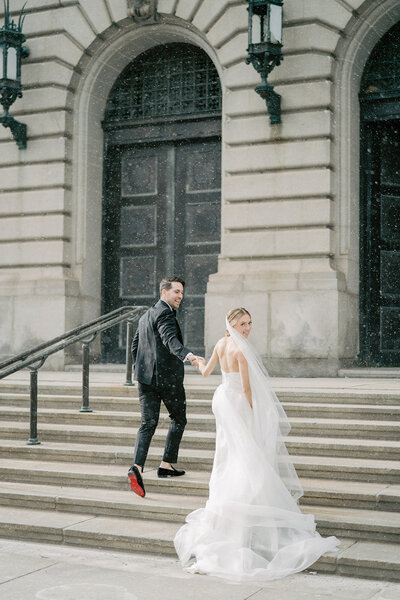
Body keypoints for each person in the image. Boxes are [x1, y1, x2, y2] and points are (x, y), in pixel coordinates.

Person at [174, 307, 339, 582]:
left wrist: (196, 362)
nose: (247, 328)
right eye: (242, 324)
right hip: (236, 403)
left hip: (222, 399)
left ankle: (231, 508)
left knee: (229, 453)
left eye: (249, 323)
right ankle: (247, 504)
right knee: (245, 454)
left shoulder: (220, 343)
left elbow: (206, 373)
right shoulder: (240, 351)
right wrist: (255, 413)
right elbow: (248, 389)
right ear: (231, 324)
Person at [128, 276, 201, 498]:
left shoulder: (145, 315)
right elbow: (170, 340)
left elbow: (135, 346)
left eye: (182, 292)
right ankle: (166, 463)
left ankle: (137, 468)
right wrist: (188, 355)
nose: (180, 296)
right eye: (176, 292)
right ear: (164, 293)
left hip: (145, 379)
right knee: (179, 419)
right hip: (167, 379)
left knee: (147, 423)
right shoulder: (166, 313)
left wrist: (141, 370)